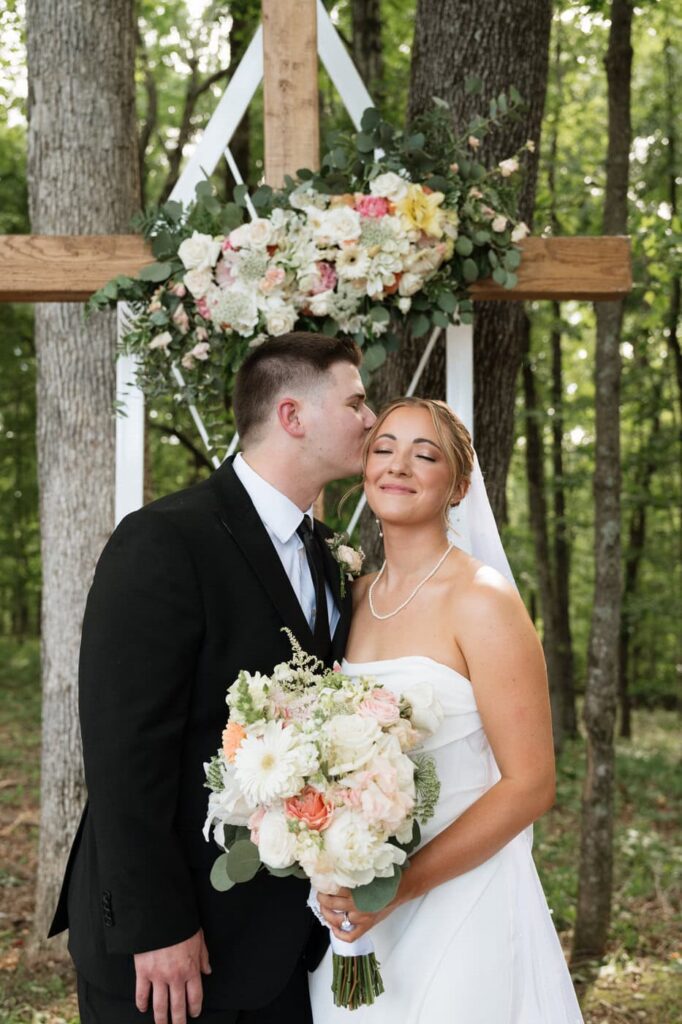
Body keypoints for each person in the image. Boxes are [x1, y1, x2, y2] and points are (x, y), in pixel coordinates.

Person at [49, 331, 375, 1024]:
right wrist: (156, 926)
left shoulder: (325, 557)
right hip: (171, 956)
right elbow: (123, 750)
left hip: (281, 947)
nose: (371, 420)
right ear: (293, 416)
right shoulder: (165, 540)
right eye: (356, 401)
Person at [309, 397, 584, 1023]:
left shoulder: (482, 598)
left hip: (462, 897)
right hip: (361, 908)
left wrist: (401, 887)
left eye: (423, 454)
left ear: (459, 485)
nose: (398, 465)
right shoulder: (351, 598)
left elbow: (532, 784)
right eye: (384, 449)